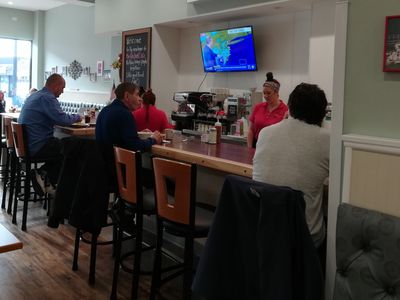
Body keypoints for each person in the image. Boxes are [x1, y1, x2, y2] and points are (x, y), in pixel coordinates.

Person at [252, 82, 329, 253]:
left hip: (262, 230)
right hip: (303, 237)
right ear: (322, 114)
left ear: (290, 108)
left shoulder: (265, 133)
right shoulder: (327, 139)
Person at [18, 73, 82, 195]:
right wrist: (78, 117)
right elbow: (62, 119)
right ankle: (59, 188)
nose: (62, 92)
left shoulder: (35, 96)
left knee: (65, 147)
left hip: (27, 145)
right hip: (38, 145)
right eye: (62, 88)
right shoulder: (47, 98)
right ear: (56, 85)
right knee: (73, 148)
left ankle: (47, 179)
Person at [96, 82, 163, 185]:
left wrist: (137, 133)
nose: (140, 99)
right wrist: (153, 140)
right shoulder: (124, 113)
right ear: (127, 96)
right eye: (137, 94)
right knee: (164, 179)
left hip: (104, 171)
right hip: (122, 173)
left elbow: (116, 136)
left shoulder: (105, 110)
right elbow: (134, 146)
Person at [247, 72, 288, 148]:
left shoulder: (285, 110)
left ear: (276, 93)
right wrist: (249, 148)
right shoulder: (258, 107)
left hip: (273, 147)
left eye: (269, 93)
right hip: (256, 144)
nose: (265, 96)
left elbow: (284, 135)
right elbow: (251, 130)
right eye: (264, 93)